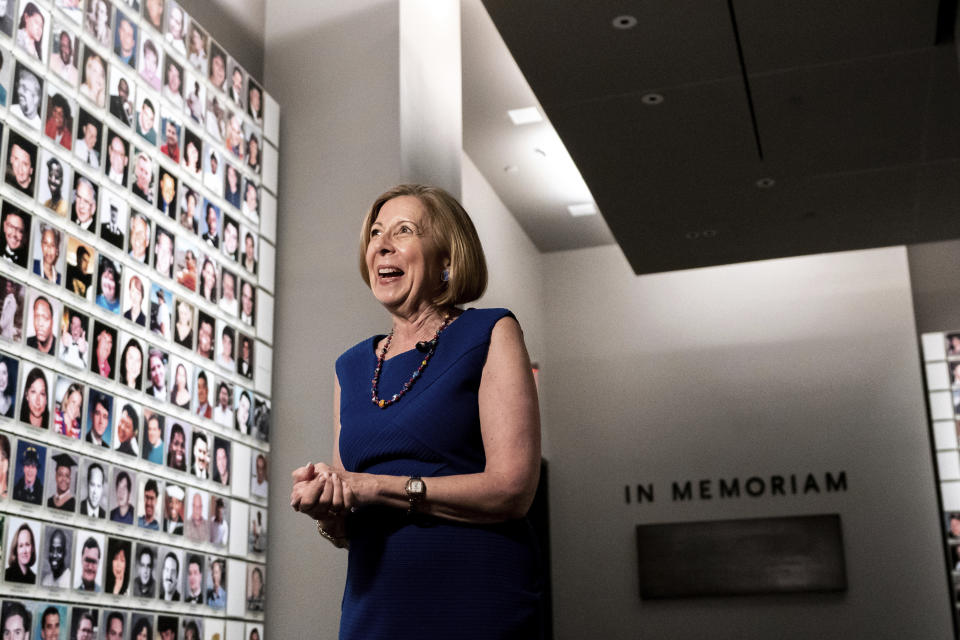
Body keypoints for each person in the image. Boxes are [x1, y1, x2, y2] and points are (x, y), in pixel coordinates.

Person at [288, 184, 543, 639]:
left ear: (447, 257)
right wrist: (327, 506)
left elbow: (513, 490)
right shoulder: (350, 366)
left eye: (403, 230)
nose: (381, 244)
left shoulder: (490, 332)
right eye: (375, 233)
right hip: (375, 610)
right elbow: (349, 514)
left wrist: (374, 486)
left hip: (475, 606)